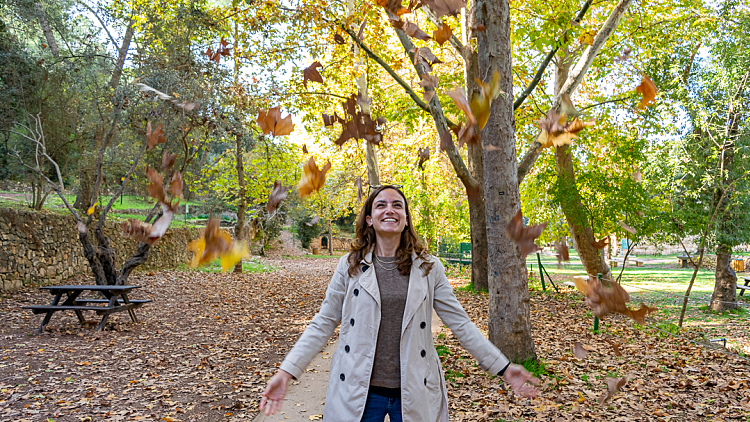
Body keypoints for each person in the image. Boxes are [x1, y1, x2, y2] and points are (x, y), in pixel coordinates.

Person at [260, 185, 539, 422]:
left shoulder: (429, 268)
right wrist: (286, 372)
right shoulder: (350, 266)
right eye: (381, 205)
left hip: (413, 389)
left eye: (397, 205)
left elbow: (461, 323)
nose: (389, 210)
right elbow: (323, 322)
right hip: (360, 390)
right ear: (370, 219)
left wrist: (502, 367)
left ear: (405, 219)